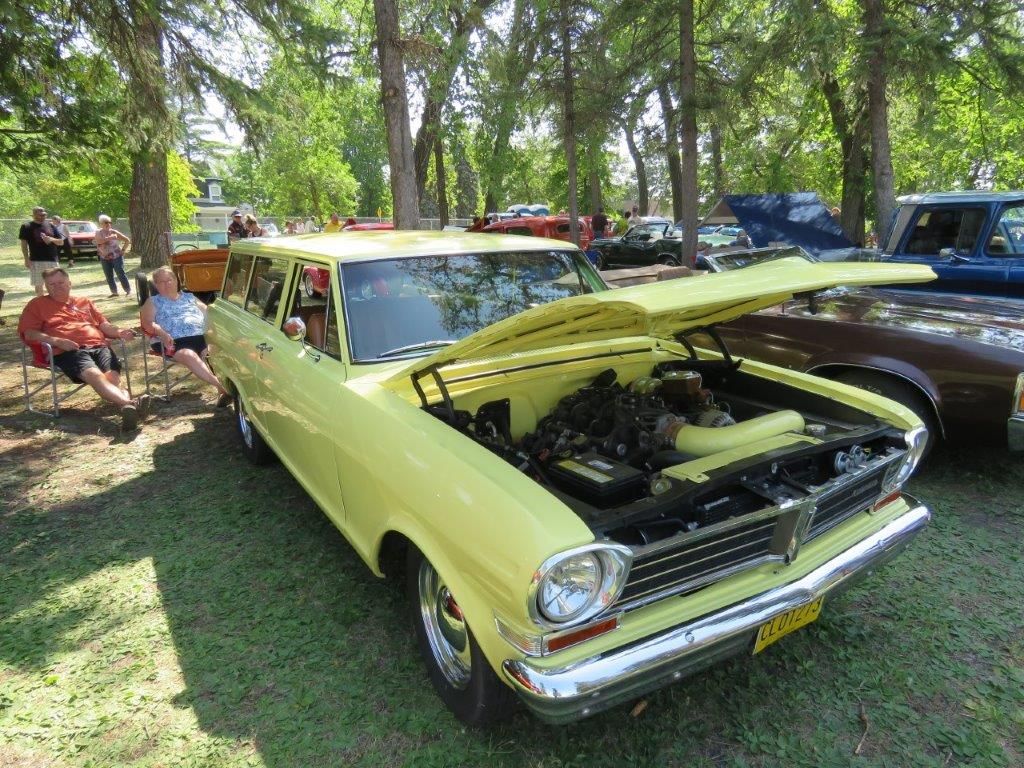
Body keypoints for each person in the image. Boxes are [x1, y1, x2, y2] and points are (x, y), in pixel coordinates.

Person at [18, 268, 149, 430]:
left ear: (69, 283)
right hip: (67, 351)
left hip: (99, 346)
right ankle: (131, 404)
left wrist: (119, 332)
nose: (56, 287)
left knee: (113, 378)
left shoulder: (84, 302)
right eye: (51, 284)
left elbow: (103, 325)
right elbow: (29, 333)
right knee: (94, 375)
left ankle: (128, 409)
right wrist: (57, 341)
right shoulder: (37, 305)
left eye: (61, 282)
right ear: (45, 286)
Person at [141, 266, 231, 407]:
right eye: (161, 282)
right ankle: (222, 388)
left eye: (169, 280)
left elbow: (209, 313)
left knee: (213, 353)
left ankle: (228, 388)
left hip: (201, 336)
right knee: (188, 355)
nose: (167, 284)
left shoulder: (190, 297)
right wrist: (162, 333)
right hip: (172, 341)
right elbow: (147, 323)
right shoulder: (152, 301)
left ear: (176, 281)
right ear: (156, 285)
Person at [20, 206, 64, 297]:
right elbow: (24, 245)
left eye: (44, 214)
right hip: (36, 260)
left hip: (52, 259)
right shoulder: (26, 226)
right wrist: (26, 259)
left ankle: (55, 305)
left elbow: (61, 242)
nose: (42, 216)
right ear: (34, 215)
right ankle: (42, 306)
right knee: (39, 286)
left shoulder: (51, 225)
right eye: (40, 215)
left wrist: (51, 239)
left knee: (56, 284)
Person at [94, 214, 132, 298]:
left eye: (109, 222)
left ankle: (128, 290)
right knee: (108, 275)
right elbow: (99, 241)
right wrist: (110, 238)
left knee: (120, 273)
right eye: (105, 222)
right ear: (101, 224)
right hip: (104, 257)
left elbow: (127, 240)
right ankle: (114, 292)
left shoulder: (114, 232)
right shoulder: (98, 232)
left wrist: (123, 250)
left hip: (116, 256)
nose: (108, 224)